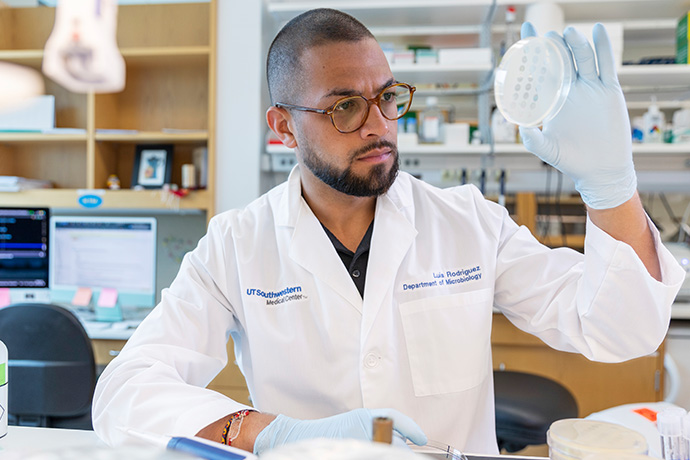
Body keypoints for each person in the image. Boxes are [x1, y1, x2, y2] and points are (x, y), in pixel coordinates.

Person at [92, 8, 685, 456]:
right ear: (283, 127)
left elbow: (620, 329)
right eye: (344, 107)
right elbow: (125, 391)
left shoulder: (468, 222)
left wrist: (612, 185)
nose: (378, 126)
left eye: (387, 98)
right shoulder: (237, 245)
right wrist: (279, 436)